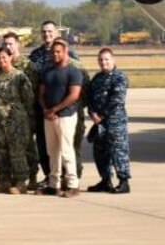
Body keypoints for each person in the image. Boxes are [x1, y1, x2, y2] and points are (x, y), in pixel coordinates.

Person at [39, 38, 83, 197]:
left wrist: (55, 109)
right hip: (49, 117)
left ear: (65, 52)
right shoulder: (47, 71)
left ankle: (73, 184)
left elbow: (74, 95)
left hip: (66, 116)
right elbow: (41, 93)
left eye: (58, 51)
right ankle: (53, 184)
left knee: (66, 150)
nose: (55, 54)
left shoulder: (73, 71)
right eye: (53, 52)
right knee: (53, 152)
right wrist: (45, 109)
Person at [86, 47, 131, 194]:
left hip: (114, 122)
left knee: (118, 151)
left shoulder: (119, 77)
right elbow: (90, 97)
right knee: (100, 152)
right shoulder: (97, 78)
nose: (103, 62)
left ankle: (124, 182)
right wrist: (92, 113)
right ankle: (105, 180)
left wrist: (102, 116)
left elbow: (117, 100)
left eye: (106, 59)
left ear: (113, 60)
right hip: (99, 123)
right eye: (100, 59)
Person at [0, 46, 35, 194]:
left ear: (10, 57)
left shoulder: (19, 77)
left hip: (16, 121)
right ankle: (4, 180)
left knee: (17, 152)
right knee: (1, 152)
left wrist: (23, 118)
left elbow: (28, 100)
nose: (2, 60)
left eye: (4, 57)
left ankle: (21, 182)